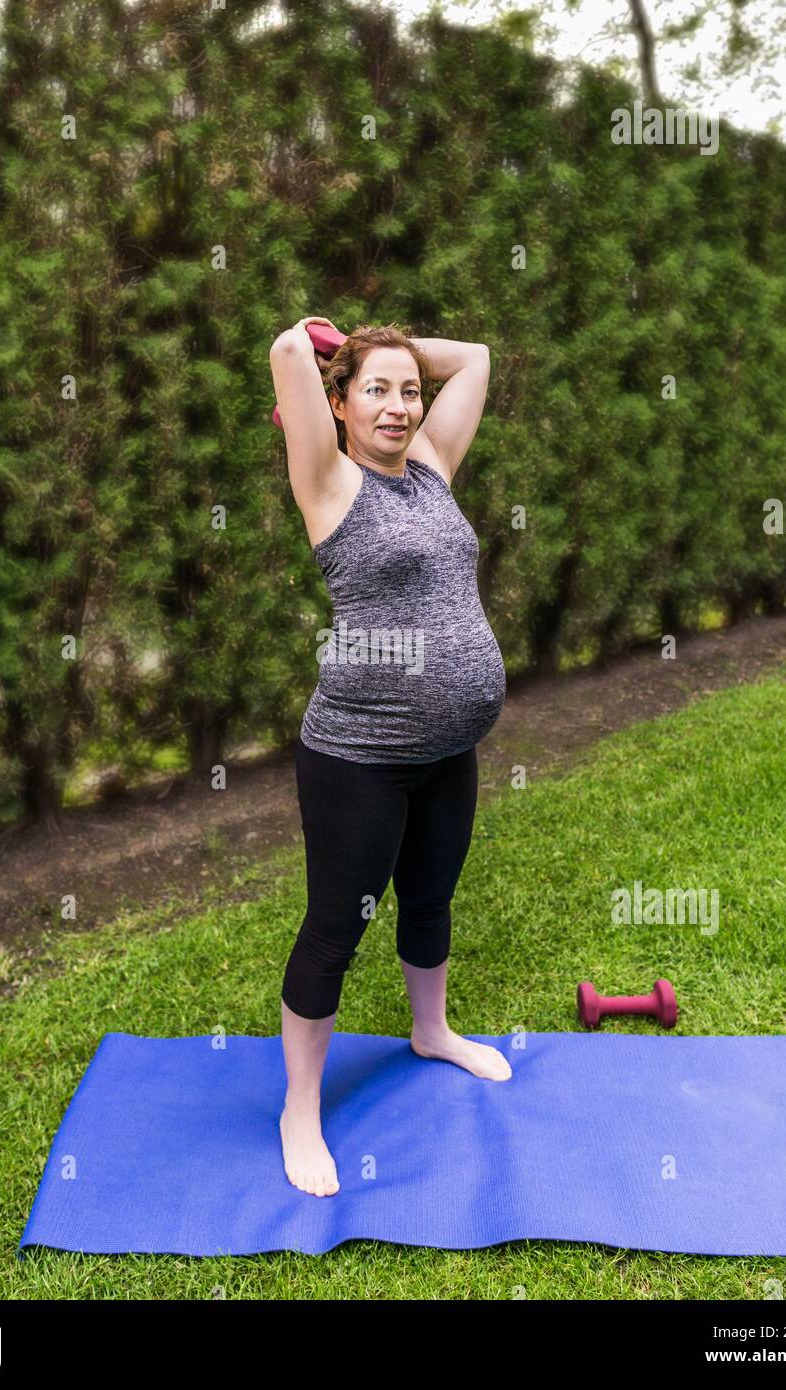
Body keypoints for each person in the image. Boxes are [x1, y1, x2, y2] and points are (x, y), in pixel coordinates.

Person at [268, 316, 511, 1198]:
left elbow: (477, 360)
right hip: (358, 758)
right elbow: (288, 354)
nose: (402, 406)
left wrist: (393, 352)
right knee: (336, 931)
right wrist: (331, 343)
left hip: (451, 748)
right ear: (337, 407)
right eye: (376, 391)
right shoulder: (329, 482)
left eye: (410, 391)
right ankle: (301, 1109)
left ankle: (431, 1031)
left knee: (432, 897)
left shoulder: (433, 471)